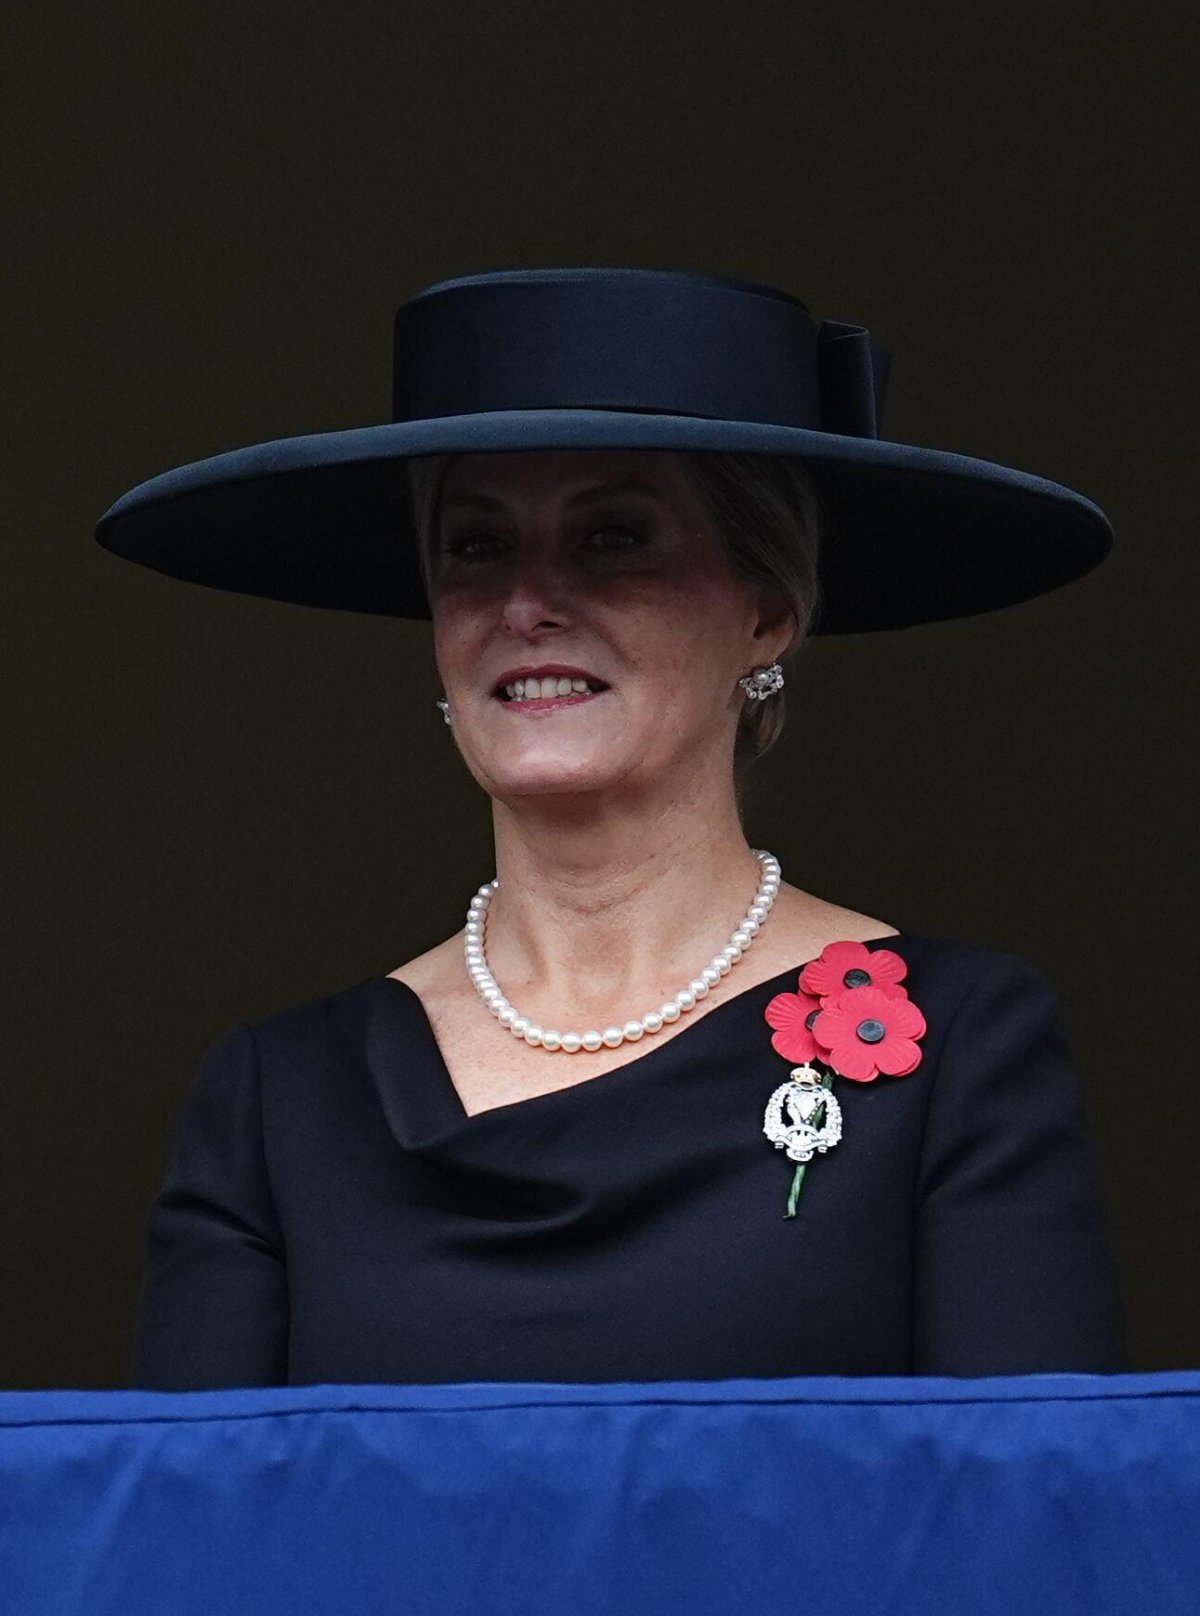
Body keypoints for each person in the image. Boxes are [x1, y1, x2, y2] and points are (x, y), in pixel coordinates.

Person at [96, 267, 1127, 1389]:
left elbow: (1023, 1523)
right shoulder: (279, 1098)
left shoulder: (962, 1045)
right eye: (477, 547)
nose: (527, 603)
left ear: (767, 610)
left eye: (615, 538)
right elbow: (185, 1545)